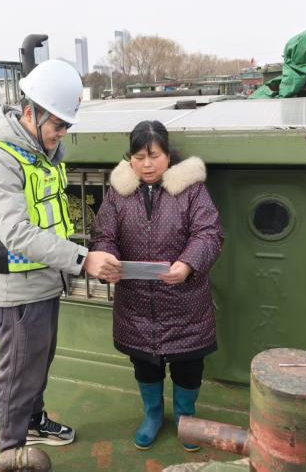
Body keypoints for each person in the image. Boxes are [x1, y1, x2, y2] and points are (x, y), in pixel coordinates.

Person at [0, 59, 121, 464]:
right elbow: (17, 233)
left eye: (67, 125)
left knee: (37, 363)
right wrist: (83, 260)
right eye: (57, 124)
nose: (62, 133)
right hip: (16, 291)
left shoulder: (40, 151)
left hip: (43, 282)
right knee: (18, 374)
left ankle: (34, 422)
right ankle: (12, 453)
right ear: (29, 113)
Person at [90, 120, 223, 451]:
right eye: (138, 157)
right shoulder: (118, 193)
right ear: (130, 158)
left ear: (168, 155)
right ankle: (152, 415)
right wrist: (106, 260)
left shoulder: (192, 190)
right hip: (136, 305)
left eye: (154, 156)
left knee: (188, 367)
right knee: (145, 367)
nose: (146, 165)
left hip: (186, 304)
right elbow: (104, 235)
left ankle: (185, 417)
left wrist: (188, 264)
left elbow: (209, 233)